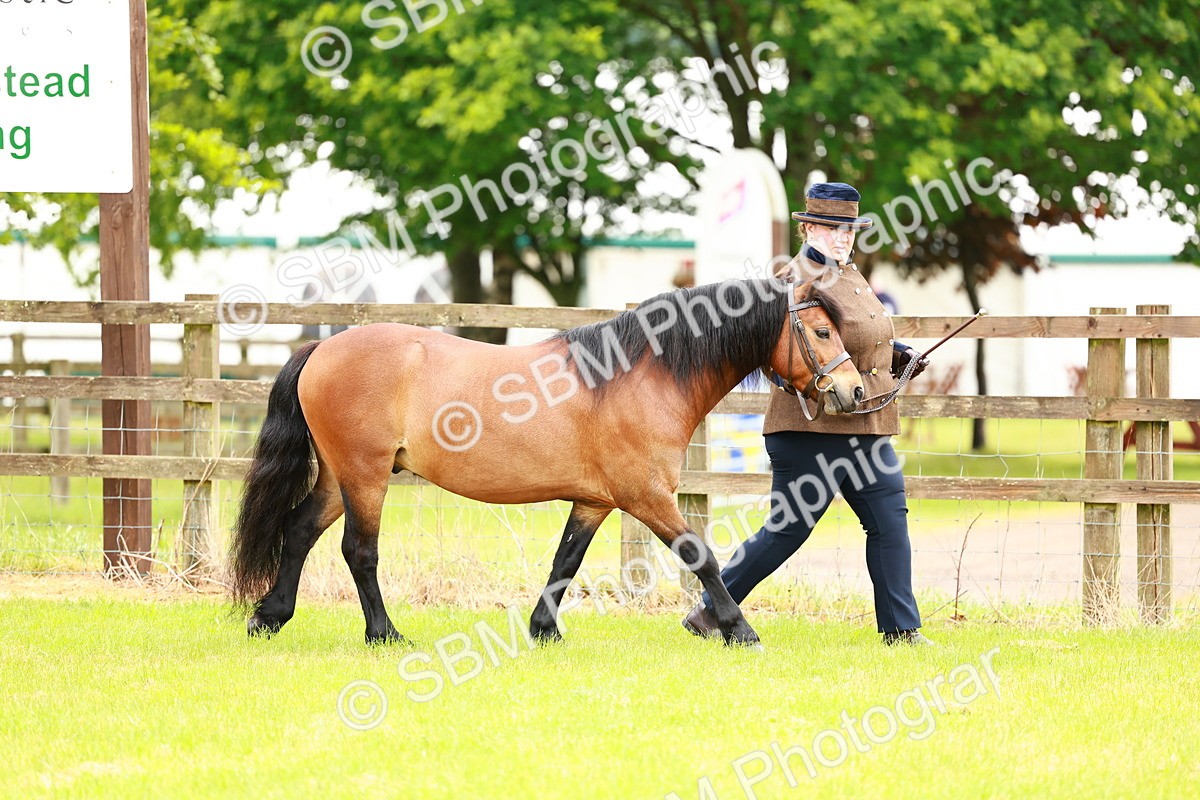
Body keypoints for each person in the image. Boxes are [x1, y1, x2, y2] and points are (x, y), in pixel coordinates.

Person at [683, 182, 933, 646]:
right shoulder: (793, 279)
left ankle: (902, 630)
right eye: (834, 228)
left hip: (867, 422)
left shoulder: (849, 274)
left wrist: (896, 354)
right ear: (810, 227)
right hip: (808, 429)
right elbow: (779, 356)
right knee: (787, 531)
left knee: (889, 521)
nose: (844, 237)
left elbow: (862, 338)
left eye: (851, 229)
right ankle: (712, 609)